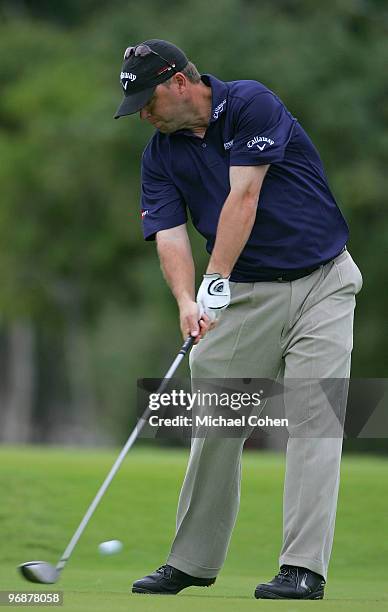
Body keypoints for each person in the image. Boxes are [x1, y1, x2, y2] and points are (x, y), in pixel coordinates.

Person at [114, 39, 363, 600]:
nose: (144, 116)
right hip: (245, 296)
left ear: (179, 81)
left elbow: (243, 197)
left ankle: (303, 568)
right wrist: (186, 300)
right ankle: (192, 562)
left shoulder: (250, 103)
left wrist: (214, 280)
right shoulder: (159, 155)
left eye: (147, 101)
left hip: (323, 283)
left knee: (314, 424)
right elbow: (170, 235)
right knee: (216, 426)